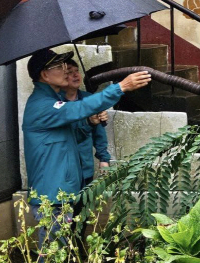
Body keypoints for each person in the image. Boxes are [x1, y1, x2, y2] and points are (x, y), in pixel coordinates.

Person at [22, 48, 150, 251]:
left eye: (66, 66)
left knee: (68, 248)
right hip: (53, 197)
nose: (66, 71)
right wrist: (121, 87)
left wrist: (90, 124)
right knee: (54, 253)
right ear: (44, 75)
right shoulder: (42, 105)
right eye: (59, 67)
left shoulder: (57, 103)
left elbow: (73, 135)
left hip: (65, 191)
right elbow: (78, 108)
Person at [62, 58, 110, 187]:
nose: (76, 75)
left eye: (77, 71)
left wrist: (103, 159)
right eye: (69, 72)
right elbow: (68, 133)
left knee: (85, 204)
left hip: (85, 167)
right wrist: (88, 122)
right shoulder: (56, 103)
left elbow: (99, 133)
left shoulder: (89, 99)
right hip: (64, 171)